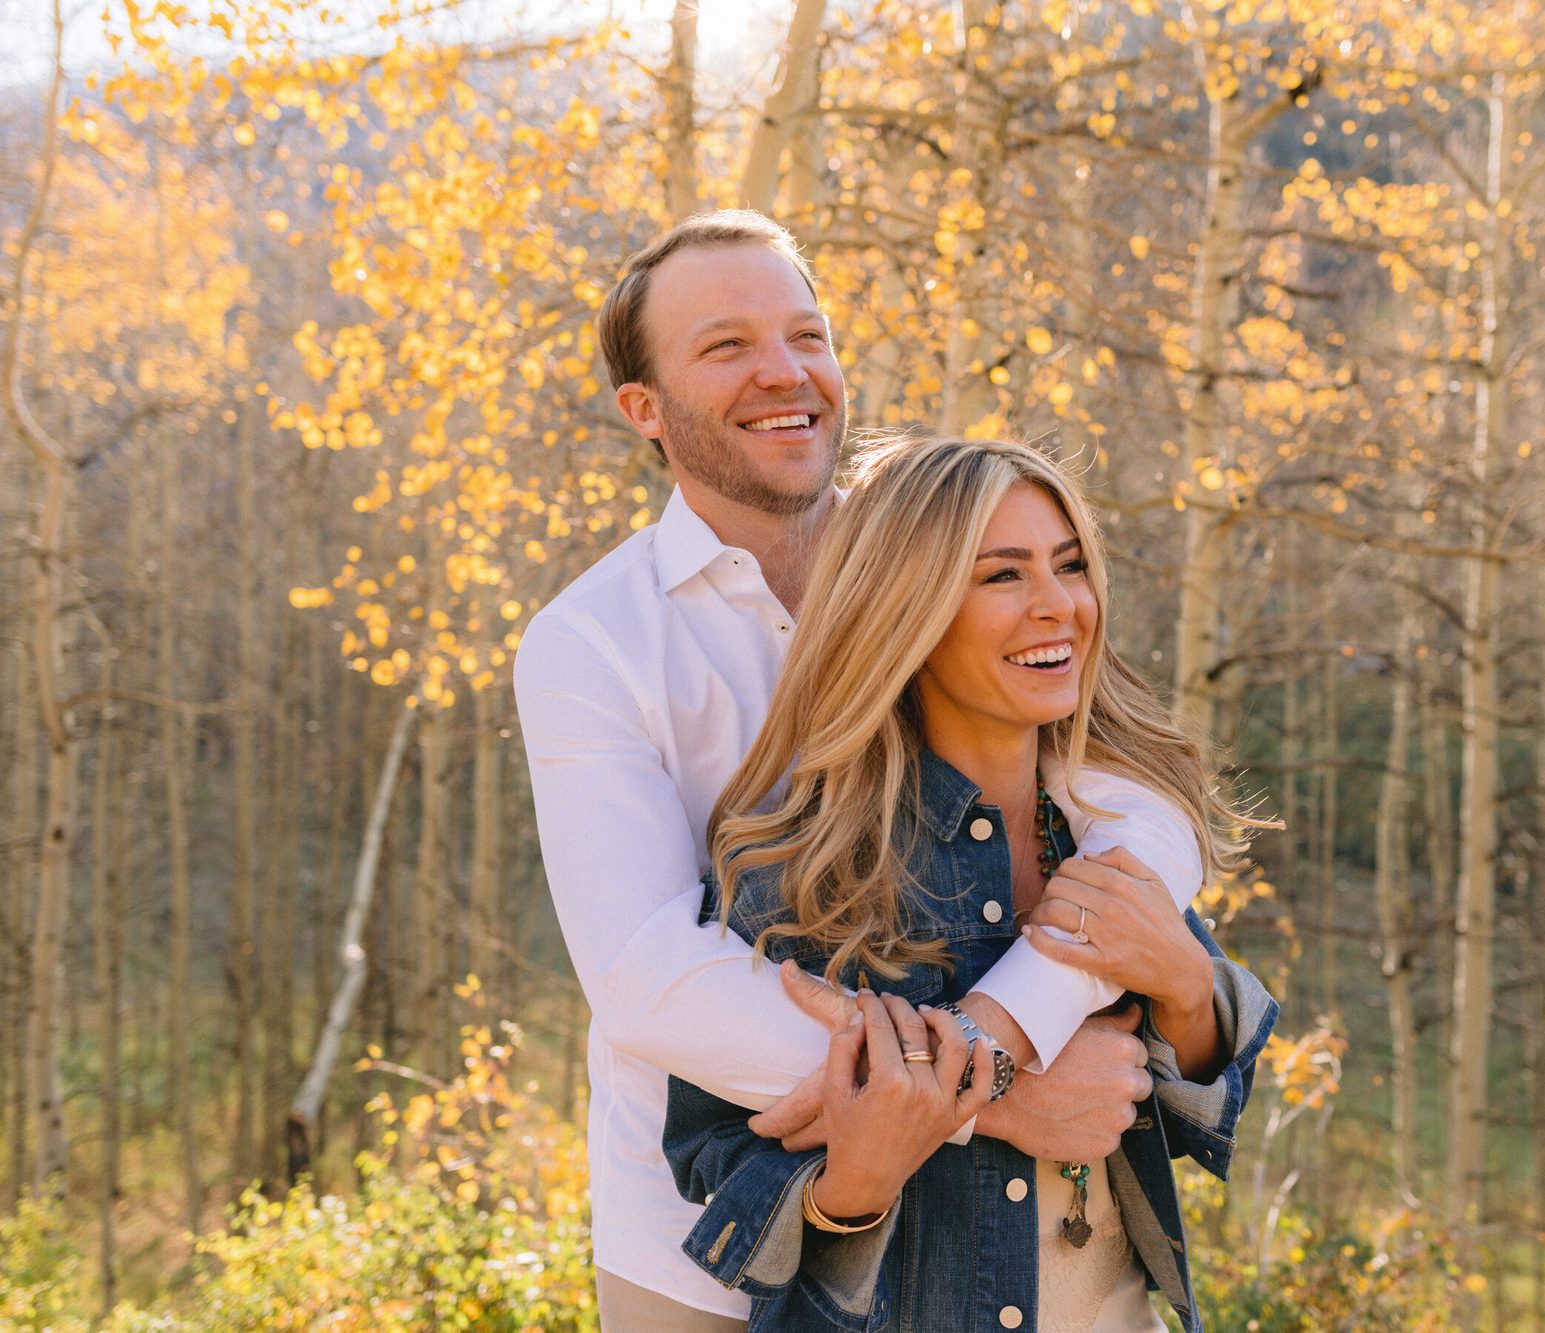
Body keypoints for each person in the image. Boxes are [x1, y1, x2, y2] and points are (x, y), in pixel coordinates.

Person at [514, 211, 1236, 1329]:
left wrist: (1013, 1026)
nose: (783, 371)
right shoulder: (592, 641)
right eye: (727, 346)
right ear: (643, 409)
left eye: (806, 334)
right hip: (704, 1230)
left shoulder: (946, 549)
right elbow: (649, 977)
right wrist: (990, 1092)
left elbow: (1136, 790)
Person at [664, 435, 1276, 1332]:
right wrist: (857, 1178)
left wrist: (1186, 987)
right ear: (905, 608)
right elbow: (707, 1153)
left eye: (1071, 565)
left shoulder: (1102, 835)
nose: (1059, 604)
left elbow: (1199, 1117)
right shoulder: (803, 869)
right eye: (1003, 575)